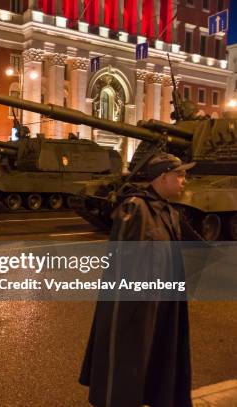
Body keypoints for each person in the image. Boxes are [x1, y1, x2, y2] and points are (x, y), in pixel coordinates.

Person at [79, 153, 196, 407]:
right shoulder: (135, 208)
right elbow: (121, 268)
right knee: (126, 369)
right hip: (137, 308)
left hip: (163, 304)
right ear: (163, 177)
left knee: (159, 364)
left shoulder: (169, 211)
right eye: (180, 175)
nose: (184, 180)